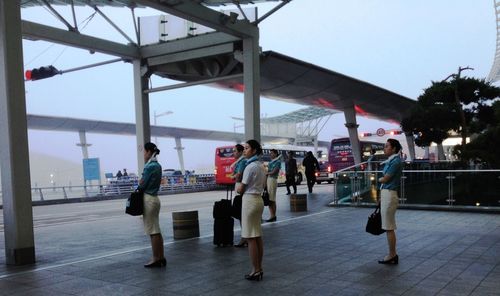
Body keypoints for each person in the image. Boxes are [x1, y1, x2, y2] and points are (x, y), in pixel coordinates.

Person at [237, 139, 266, 281]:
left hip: (249, 201)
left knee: (250, 237)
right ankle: (259, 268)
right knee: (257, 235)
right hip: (258, 200)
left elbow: (240, 189)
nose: (244, 150)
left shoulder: (249, 167)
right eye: (244, 148)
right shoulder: (261, 166)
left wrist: (237, 181)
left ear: (254, 150)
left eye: (247, 148)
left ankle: (255, 270)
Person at [137, 142, 166, 268]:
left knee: (153, 231)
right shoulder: (158, 165)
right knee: (156, 230)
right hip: (155, 199)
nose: (143, 154)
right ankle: (161, 257)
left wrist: (140, 182)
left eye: (144, 151)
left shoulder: (149, 167)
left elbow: (142, 184)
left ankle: (155, 258)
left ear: (149, 152)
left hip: (148, 199)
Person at [377, 138, 403, 265]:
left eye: (387, 146)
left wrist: (380, 179)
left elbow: (386, 178)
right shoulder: (392, 160)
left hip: (390, 194)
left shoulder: (396, 161)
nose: (385, 148)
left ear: (393, 148)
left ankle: (392, 255)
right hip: (387, 194)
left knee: (389, 227)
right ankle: (392, 254)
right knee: (388, 227)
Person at [231, 144, 248, 248]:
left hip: (240, 188)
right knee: (241, 214)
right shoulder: (239, 162)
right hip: (238, 187)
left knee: (241, 214)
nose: (234, 153)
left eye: (235, 151)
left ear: (241, 152)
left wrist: (234, 176)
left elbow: (238, 177)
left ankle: (244, 237)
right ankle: (245, 237)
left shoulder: (242, 162)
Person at [265, 149, 281, 222]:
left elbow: (274, 171)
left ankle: (273, 215)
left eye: (271, 153)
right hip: (268, 179)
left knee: (272, 199)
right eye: (270, 153)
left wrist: (267, 173)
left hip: (272, 180)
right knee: (270, 198)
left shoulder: (277, 162)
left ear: (275, 154)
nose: (270, 154)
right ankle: (272, 215)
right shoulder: (271, 162)